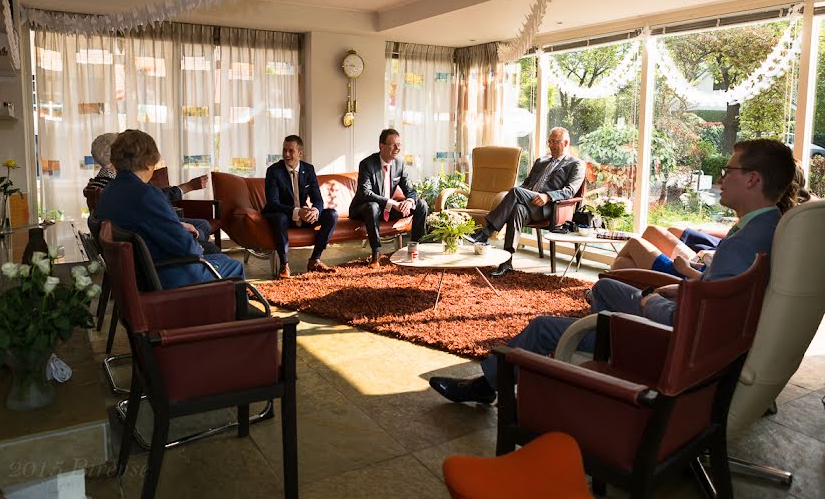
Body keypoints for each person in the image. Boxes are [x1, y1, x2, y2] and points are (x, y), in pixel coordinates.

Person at [429, 138, 796, 404]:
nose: (721, 178)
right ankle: (591, 349)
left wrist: (653, 301)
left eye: (728, 170)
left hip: (666, 340)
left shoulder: (741, 244)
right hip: (684, 321)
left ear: (752, 179)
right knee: (605, 287)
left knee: (543, 326)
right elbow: (715, 300)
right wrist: (679, 289)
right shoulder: (768, 228)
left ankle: (489, 384)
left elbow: (696, 323)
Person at [611, 158, 813, 278]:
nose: (721, 180)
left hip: (695, 277)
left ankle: (601, 297)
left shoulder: (763, 228)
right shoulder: (773, 220)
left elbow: (719, 281)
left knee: (634, 248)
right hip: (704, 267)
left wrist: (693, 266)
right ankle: (604, 297)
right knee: (633, 254)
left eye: (729, 172)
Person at [95, 129, 245, 289]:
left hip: (136, 275)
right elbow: (186, 248)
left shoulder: (108, 192)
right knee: (233, 266)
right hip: (162, 274)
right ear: (147, 163)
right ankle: (230, 312)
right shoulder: (146, 195)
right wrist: (196, 247)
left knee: (212, 253)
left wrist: (180, 229)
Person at [463, 127, 585, 277]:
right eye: (549, 141)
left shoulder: (576, 164)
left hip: (547, 207)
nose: (551, 145)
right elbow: (526, 184)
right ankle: (507, 262)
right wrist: (518, 197)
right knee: (517, 210)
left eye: (555, 142)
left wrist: (547, 196)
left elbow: (569, 191)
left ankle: (485, 232)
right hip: (528, 203)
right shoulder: (541, 161)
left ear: (565, 143)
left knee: (515, 191)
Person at [86, 132, 218, 252]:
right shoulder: (123, 182)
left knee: (201, 230)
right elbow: (150, 201)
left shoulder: (105, 184)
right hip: (151, 249)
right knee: (206, 242)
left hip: (141, 239)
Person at [348, 129, 428, 268]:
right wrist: (392, 203)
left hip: (386, 209)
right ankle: (376, 254)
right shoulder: (367, 164)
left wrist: (409, 201)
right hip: (364, 209)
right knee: (373, 206)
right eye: (393, 145)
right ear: (381, 146)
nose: (397, 148)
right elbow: (365, 193)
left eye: (399, 144)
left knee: (421, 204)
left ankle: (415, 248)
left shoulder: (399, 165)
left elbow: (410, 190)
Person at [262, 135, 338, 279]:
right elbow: (273, 203)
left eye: (291, 151)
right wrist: (297, 212)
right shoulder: (274, 171)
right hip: (283, 214)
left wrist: (315, 210)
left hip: (303, 215)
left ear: (300, 153)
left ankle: (315, 260)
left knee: (332, 214)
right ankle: (284, 264)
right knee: (280, 218)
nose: (286, 154)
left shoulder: (308, 169)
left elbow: (317, 198)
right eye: (284, 150)